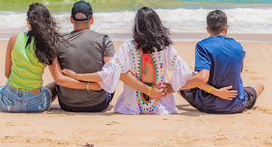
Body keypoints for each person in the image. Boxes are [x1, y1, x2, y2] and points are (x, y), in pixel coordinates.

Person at [63, 7, 194, 115]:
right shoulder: (165, 48)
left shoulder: (128, 47)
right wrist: (170, 88)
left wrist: (76, 76)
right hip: (161, 105)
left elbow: (109, 74)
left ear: (137, 26)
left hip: (133, 107)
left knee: (120, 72)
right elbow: (184, 72)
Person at [0, 2, 101, 113]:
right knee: (56, 84)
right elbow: (60, 79)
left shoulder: (14, 39)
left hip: (8, 103)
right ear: (47, 22)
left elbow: (7, 74)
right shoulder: (47, 44)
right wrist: (89, 85)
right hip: (35, 105)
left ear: (28, 21)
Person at [178, 10, 265, 114]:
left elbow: (201, 79)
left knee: (183, 78)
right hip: (236, 104)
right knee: (259, 85)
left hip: (208, 105)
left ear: (207, 29)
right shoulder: (238, 46)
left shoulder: (202, 45)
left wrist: (175, 86)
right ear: (226, 29)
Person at [55, 0, 116, 112]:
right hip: (97, 104)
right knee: (113, 75)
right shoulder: (104, 40)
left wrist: (75, 76)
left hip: (67, 104)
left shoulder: (59, 41)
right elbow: (111, 75)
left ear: (71, 19)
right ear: (92, 19)